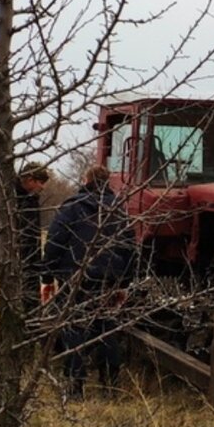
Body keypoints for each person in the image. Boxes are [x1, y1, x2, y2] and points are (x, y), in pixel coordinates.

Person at [41, 165, 135, 399]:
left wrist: (47, 277)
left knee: (74, 330)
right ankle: (110, 385)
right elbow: (131, 248)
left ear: (86, 180)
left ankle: (75, 386)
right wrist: (125, 282)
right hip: (109, 279)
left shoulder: (72, 207)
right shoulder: (120, 210)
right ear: (107, 183)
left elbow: (55, 242)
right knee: (107, 329)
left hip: (74, 276)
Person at [0, 162, 50, 314]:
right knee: (14, 305)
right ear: (30, 179)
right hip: (11, 260)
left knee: (32, 304)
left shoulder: (31, 198)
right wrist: (6, 236)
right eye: (40, 182)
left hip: (31, 260)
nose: (43, 187)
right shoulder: (9, 195)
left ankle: (30, 333)